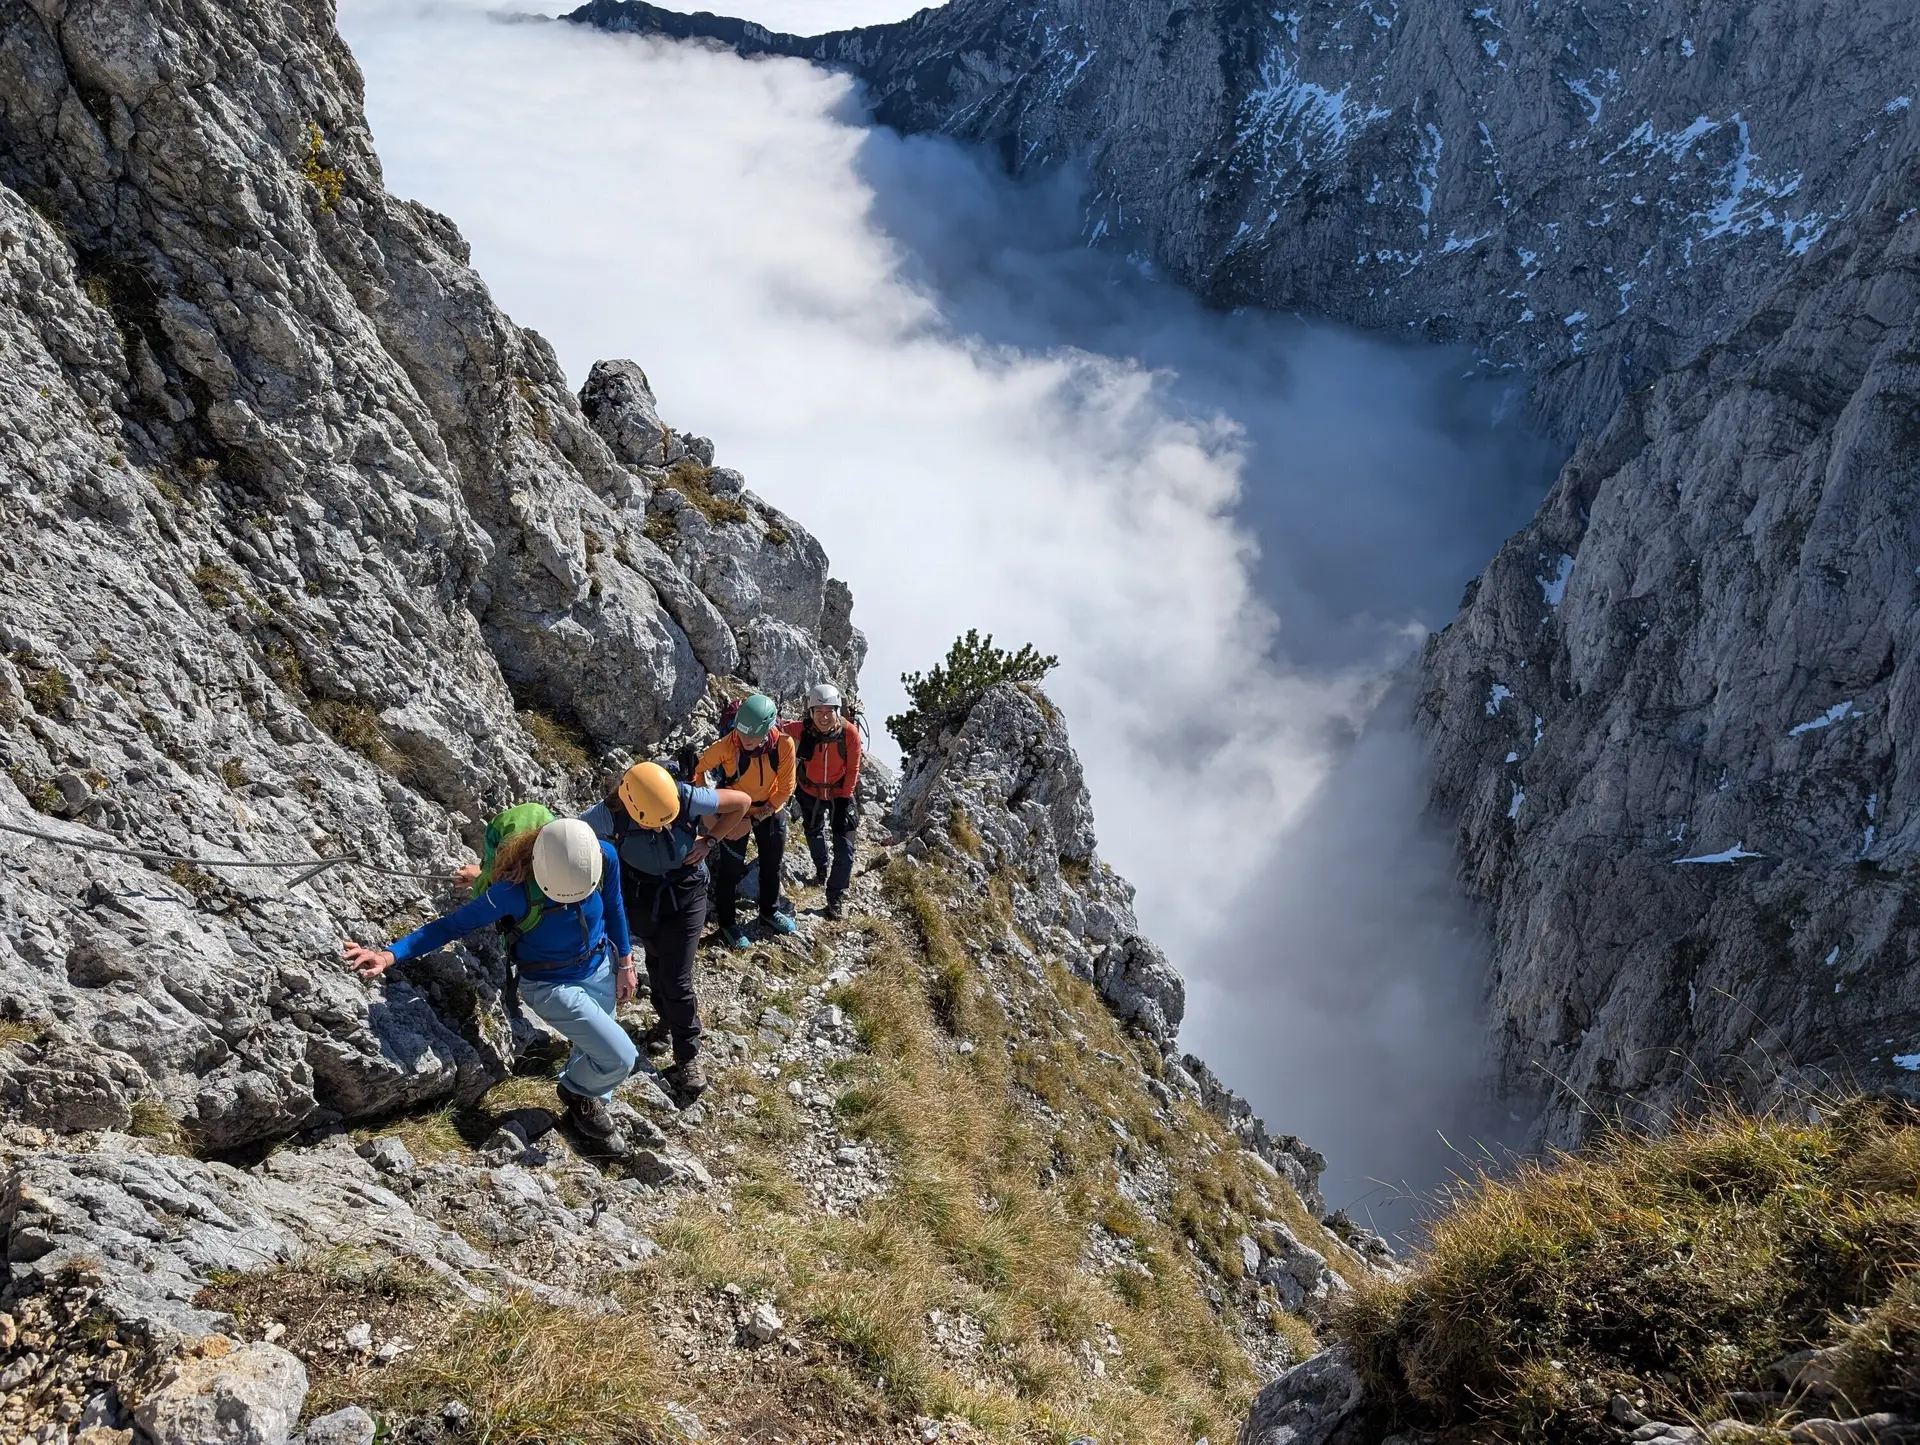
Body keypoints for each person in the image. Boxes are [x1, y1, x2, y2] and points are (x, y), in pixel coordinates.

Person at [342, 819, 638, 1147]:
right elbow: (450, 927)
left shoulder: (602, 856)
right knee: (621, 1056)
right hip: (551, 986)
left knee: (595, 1044)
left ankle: (587, 1103)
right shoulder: (513, 891)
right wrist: (389, 955)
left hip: (601, 967)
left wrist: (625, 962)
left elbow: (614, 906)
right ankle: (577, 1092)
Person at [581, 761, 749, 1098]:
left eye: (668, 822)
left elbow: (741, 802)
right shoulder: (607, 815)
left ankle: (688, 1055)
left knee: (676, 977)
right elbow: (559, 836)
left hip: (687, 894)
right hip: (642, 898)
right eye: (655, 824)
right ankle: (666, 1021)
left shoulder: (685, 796)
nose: (663, 829)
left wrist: (711, 840)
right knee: (656, 966)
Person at [695, 693, 798, 948]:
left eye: (752, 735)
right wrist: (710, 815)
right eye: (741, 733)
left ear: (768, 729)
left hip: (769, 809)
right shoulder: (729, 745)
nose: (745, 740)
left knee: (771, 864)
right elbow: (696, 770)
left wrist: (750, 821)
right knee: (730, 871)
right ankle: (728, 924)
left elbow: (785, 789)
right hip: (735, 811)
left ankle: (769, 910)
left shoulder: (783, 745)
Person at [795, 682, 862, 921]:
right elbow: (775, 731)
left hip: (839, 794)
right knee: (813, 831)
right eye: (818, 712)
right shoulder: (803, 731)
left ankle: (835, 897)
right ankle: (822, 867)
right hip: (809, 790)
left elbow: (853, 767)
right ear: (811, 713)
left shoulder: (849, 733)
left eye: (828, 712)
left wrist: (844, 797)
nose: (823, 718)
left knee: (845, 846)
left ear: (837, 711)